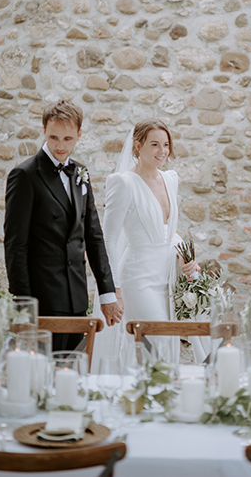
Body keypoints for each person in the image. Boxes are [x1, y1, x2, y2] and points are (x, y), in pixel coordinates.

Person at [4, 100, 121, 352]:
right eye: (53, 137)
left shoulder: (81, 173)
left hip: (77, 297)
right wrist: (24, 306)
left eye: (68, 138)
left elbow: (94, 236)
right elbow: (15, 246)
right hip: (42, 299)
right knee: (43, 377)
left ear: (79, 134)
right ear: (44, 129)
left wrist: (107, 293)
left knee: (73, 374)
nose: (60, 145)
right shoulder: (25, 175)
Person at [90, 119, 201, 367]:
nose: (162, 151)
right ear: (138, 146)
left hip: (167, 277)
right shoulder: (123, 183)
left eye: (166, 145)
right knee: (157, 337)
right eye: (154, 144)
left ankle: (154, 397)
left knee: (165, 344)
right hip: (138, 278)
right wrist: (114, 290)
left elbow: (168, 232)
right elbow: (108, 237)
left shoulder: (170, 179)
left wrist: (183, 255)